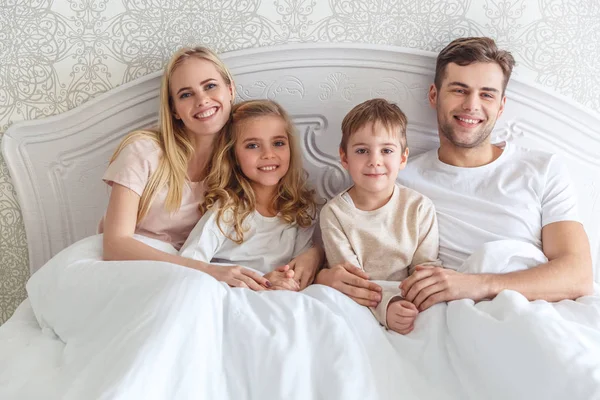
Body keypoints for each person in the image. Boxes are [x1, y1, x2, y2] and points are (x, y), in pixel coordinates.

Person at [316, 37, 593, 310]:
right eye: (459, 90)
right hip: (454, 313)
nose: (472, 105)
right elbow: (349, 220)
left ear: (501, 105)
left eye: (486, 94)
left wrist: (477, 284)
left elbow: (578, 275)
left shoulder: (542, 168)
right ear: (434, 95)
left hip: (533, 308)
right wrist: (320, 270)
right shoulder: (395, 176)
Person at [100, 46, 323, 291]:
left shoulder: (239, 158)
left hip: (193, 270)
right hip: (134, 264)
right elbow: (114, 244)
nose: (202, 100)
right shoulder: (144, 151)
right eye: (186, 94)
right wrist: (208, 271)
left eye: (210, 86)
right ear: (174, 108)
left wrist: (314, 254)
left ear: (230, 90)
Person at [319, 99, 441, 334]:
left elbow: (425, 269)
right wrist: (387, 306)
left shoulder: (419, 208)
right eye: (362, 151)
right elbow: (352, 283)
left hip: (409, 301)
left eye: (386, 150)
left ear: (403, 158)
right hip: (358, 303)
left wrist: (409, 303)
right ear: (345, 158)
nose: (375, 161)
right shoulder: (334, 214)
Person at [179, 99, 317, 291]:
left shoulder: (300, 209)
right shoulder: (227, 210)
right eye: (253, 146)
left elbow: (300, 271)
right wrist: (261, 281)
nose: (268, 154)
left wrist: (299, 269)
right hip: (232, 294)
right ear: (234, 156)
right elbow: (190, 261)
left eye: (278, 143)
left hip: (280, 296)